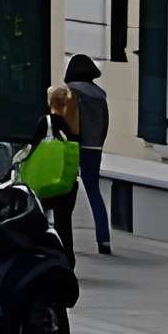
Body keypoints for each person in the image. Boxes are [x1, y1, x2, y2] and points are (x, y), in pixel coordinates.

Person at [65, 54, 112, 256]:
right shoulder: (100, 96)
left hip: (74, 146)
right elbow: (105, 125)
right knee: (94, 193)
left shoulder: (72, 92)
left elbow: (67, 121)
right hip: (95, 148)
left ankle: (61, 236)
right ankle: (104, 239)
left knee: (64, 192)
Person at [42, 83, 81, 267]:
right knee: (64, 225)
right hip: (68, 182)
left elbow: (33, 149)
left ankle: (48, 258)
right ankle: (68, 260)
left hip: (49, 180)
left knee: (40, 220)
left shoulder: (47, 123)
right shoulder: (73, 125)